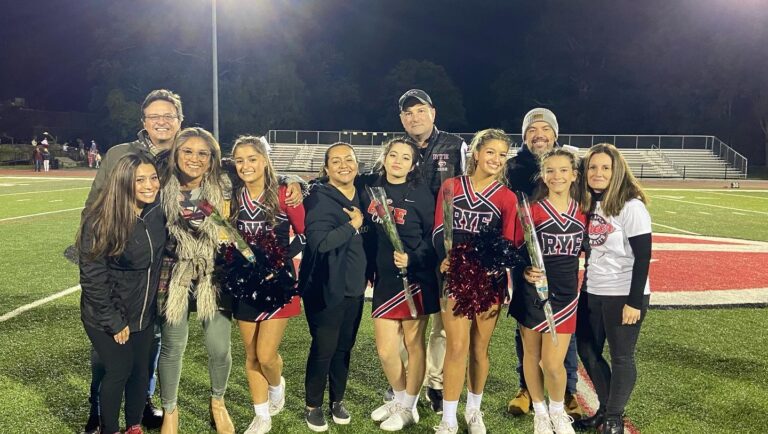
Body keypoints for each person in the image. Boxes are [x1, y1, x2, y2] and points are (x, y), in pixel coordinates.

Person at [81, 89, 185, 434]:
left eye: (168, 116)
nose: (162, 121)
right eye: (154, 116)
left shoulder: (184, 157)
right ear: (144, 122)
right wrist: (92, 244)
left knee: (148, 343)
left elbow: (222, 173)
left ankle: (140, 405)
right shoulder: (120, 154)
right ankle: (99, 409)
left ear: (179, 121)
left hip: (161, 263)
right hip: (119, 256)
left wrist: (290, 182)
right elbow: (95, 205)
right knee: (112, 354)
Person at [432, 129, 522, 434]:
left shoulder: (507, 198)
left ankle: (473, 411)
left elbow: (508, 243)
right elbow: (438, 230)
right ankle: (447, 418)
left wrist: (492, 270)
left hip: (488, 283)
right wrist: (442, 258)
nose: (496, 159)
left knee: (480, 349)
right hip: (455, 279)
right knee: (456, 347)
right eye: (491, 152)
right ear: (476, 153)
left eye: (502, 154)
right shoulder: (451, 186)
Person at [78, 153, 166, 434]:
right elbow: (93, 278)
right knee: (120, 369)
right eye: (140, 179)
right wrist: (114, 321)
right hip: (107, 314)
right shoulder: (100, 220)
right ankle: (110, 429)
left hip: (144, 311)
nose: (149, 185)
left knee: (141, 372)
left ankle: (133, 426)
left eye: (153, 178)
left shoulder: (156, 212)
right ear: (124, 182)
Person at [507, 108, 585, 421]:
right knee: (525, 329)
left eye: (545, 129)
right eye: (532, 130)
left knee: (565, 332)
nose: (538, 135)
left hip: (561, 262)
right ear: (524, 136)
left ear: (554, 134)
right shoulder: (512, 167)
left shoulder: (570, 164)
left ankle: (567, 391)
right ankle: (527, 387)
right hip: (526, 255)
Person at [157, 127, 235, 434]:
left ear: (212, 158)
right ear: (176, 154)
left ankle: (218, 402)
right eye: (187, 151)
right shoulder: (159, 184)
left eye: (203, 153)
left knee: (219, 348)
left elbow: (264, 175)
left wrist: (292, 181)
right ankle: (170, 411)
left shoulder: (226, 184)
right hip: (173, 273)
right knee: (173, 346)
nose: (194, 158)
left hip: (214, 275)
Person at [228, 136, 306, 434]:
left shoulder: (285, 193)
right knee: (250, 354)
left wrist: (279, 261)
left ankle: (277, 384)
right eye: (239, 160)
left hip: (279, 283)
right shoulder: (233, 196)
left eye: (252, 159)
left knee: (266, 355)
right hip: (246, 282)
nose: (246, 165)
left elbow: (304, 233)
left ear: (264, 161)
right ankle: (261, 415)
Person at [573, 143, 652, 434]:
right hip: (593, 289)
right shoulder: (590, 204)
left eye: (605, 167)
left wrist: (633, 301)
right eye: (592, 167)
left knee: (621, 356)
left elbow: (643, 256)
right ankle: (605, 410)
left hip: (624, 293)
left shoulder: (631, 206)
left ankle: (614, 417)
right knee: (586, 349)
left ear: (616, 170)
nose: (598, 172)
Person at [397, 89, 467, 413]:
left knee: (442, 320)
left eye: (420, 111)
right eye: (408, 113)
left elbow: (469, 188)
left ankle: (436, 383)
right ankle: (405, 379)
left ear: (433, 112)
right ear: (402, 119)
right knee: (409, 316)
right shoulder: (399, 149)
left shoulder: (455, 145)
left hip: (445, 243)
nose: (415, 118)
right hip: (410, 244)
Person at [363, 138, 439, 431]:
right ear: (384, 157)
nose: (397, 161)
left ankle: (408, 406)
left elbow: (433, 237)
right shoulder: (369, 185)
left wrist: (413, 258)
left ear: (413, 164)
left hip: (415, 278)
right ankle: (398, 398)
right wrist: (292, 180)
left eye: (405, 157)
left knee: (413, 344)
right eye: (393, 155)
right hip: (384, 279)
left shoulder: (421, 193)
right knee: (385, 350)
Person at [299, 143, 371, 432]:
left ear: (357, 164)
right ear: (326, 168)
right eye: (336, 161)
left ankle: (337, 400)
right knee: (324, 348)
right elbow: (320, 244)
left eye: (349, 159)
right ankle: (313, 405)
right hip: (324, 288)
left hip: (354, 287)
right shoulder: (318, 198)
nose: (344, 165)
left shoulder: (364, 193)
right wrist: (352, 225)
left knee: (344, 348)